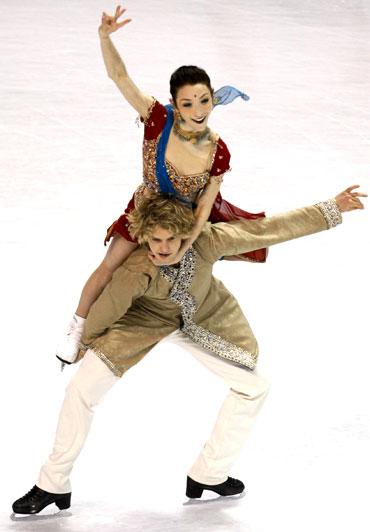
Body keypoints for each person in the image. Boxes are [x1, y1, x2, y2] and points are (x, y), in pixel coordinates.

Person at [12, 185, 366, 515]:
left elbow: (267, 230)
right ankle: (52, 483)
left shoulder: (206, 242)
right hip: (141, 322)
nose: (163, 248)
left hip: (203, 317)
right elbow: (108, 307)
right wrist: (82, 344)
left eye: (172, 239)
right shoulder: (136, 269)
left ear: (187, 233)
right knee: (79, 390)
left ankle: (208, 474)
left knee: (254, 387)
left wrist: (332, 208)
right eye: (155, 239)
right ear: (143, 235)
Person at [56, 5, 267, 364]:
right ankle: (77, 326)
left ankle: (187, 321)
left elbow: (204, 207)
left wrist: (185, 244)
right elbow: (120, 77)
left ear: (212, 97)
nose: (198, 110)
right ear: (174, 105)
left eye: (205, 100)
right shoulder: (157, 119)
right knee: (110, 266)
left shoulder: (218, 150)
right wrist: (104, 37)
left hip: (182, 221)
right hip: (144, 208)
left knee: (180, 272)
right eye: (187, 103)